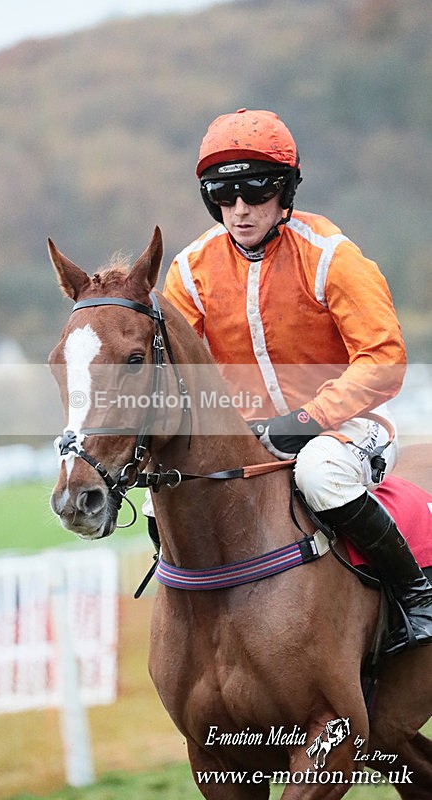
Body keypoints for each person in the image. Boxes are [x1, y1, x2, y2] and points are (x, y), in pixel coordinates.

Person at [155, 107, 432, 655]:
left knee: (320, 470)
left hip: (349, 429)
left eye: (255, 193)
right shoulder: (188, 273)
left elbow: (384, 360)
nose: (239, 210)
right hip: (250, 440)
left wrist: (305, 421)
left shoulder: (331, 256)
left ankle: (416, 595)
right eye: (224, 197)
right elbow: (181, 376)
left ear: (285, 192)